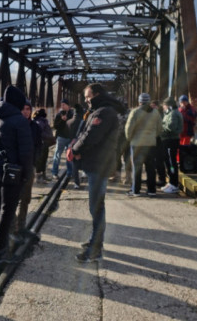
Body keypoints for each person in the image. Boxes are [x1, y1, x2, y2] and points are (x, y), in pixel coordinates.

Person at [70, 83, 124, 263]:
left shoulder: (103, 113)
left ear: (97, 94)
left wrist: (74, 149)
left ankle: (95, 249)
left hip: (99, 166)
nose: (86, 100)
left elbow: (91, 136)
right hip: (97, 164)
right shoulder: (101, 110)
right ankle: (95, 242)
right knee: (96, 207)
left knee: (97, 208)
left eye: (87, 96)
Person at [0, 85, 34, 264]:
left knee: (0, 208)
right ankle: (1, 251)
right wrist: (27, 175)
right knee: (8, 210)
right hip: (12, 172)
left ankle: (2, 244)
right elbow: (26, 153)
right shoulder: (19, 120)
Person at [11, 100, 42, 244]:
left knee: (26, 198)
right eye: (23, 109)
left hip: (29, 167)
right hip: (17, 168)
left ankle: (21, 226)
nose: (26, 111)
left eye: (28, 109)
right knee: (14, 198)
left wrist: (34, 163)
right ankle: (13, 229)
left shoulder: (34, 126)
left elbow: (39, 146)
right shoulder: (14, 124)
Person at [125, 93, 163, 197]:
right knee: (150, 167)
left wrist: (129, 139)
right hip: (151, 144)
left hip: (137, 143)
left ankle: (136, 191)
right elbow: (160, 128)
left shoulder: (135, 112)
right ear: (149, 101)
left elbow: (129, 128)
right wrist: (153, 136)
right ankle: (151, 190)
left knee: (137, 167)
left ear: (139, 101)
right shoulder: (155, 112)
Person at [161, 96, 184, 193]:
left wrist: (161, 128)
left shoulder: (173, 114)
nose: (163, 107)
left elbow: (171, 127)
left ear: (169, 105)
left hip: (171, 140)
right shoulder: (170, 113)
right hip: (168, 140)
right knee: (168, 161)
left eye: (164, 105)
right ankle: (171, 182)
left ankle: (174, 184)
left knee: (171, 162)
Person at [51, 99, 74, 179]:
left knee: (69, 156)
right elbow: (55, 127)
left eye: (64, 104)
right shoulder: (59, 115)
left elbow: (73, 125)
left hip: (70, 137)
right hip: (61, 137)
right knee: (57, 155)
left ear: (68, 105)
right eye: (61, 104)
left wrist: (67, 120)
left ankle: (70, 173)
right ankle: (54, 172)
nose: (62, 106)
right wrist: (62, 120)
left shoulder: (72, 114)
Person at [33, 108, 54, 183]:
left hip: (45, 143)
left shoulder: (42, 120)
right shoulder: (40, 121)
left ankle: (43, 176)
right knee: (40, 161)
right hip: (42, 143)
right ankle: (39, 178)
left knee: (44, 160)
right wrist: (48, 136)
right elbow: (40, 133)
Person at [66, 103, 85, 189]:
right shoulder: (83, 122)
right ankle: (84, 174)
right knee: (83, 160)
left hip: (71, 145)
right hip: (81, 144)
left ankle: (76, 183)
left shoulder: (68, 122)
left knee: (74, 164)